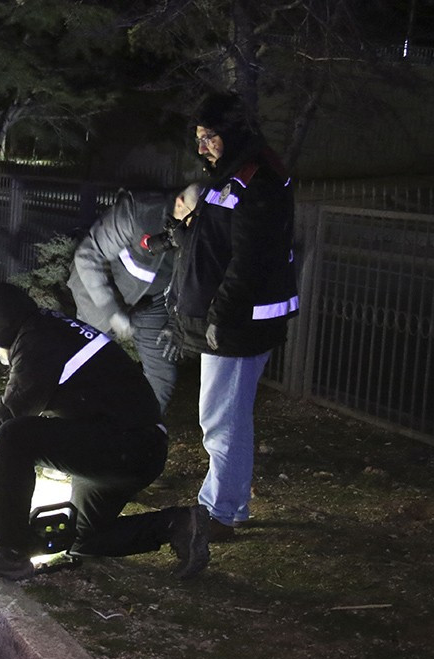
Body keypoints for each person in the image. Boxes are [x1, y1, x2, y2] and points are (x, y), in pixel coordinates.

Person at [0, 283, 210, 582]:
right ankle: (178, 524)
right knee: (83, 540)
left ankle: (9, 552)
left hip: (128, 446)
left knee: (15, 436)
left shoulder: (38, 342)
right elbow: (16, 401)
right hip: (133, 444)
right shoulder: (46, 328)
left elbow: (7, 413)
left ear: (2, 333)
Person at [166, 91, 299, 541]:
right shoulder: (228, 175)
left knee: (221, 420)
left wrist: (220, 318)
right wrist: (181, 226)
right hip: (225, 321)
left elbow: (249, 261)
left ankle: (219, 514)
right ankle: (228, 506)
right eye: (199, 138)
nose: (202, 147)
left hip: (239, 325)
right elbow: (212, 247)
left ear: (234, 133)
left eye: (210, 137)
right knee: (227, 417)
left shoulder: (258, 178)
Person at [67, 184, 201, 412]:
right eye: (195, 219)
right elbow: (88, 255)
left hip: (155, 303)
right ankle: (77, 425)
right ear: (180, 204)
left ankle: (138, 433)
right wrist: (111, 310)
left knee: (162, 376)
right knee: (86, 365)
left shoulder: (202, 232)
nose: (198, 229)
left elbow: (194, 282)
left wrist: (175, 322)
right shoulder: (137, 211)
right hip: (101, 295)